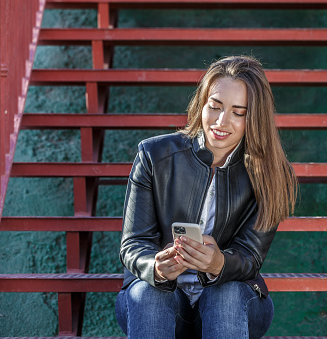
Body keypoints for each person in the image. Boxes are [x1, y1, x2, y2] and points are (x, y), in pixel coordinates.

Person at [115, 55, 297, 339]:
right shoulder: (154, 157)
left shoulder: (270, 172)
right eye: (214, 106)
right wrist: (157, 268)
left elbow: (250, 256)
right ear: (202, 104)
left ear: (255, 117)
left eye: (239, 112)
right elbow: (133, 244)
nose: (221, 121)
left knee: (224, 294)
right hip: (160, 303)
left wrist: (218, 264)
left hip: (235, 305)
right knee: (149, 293)